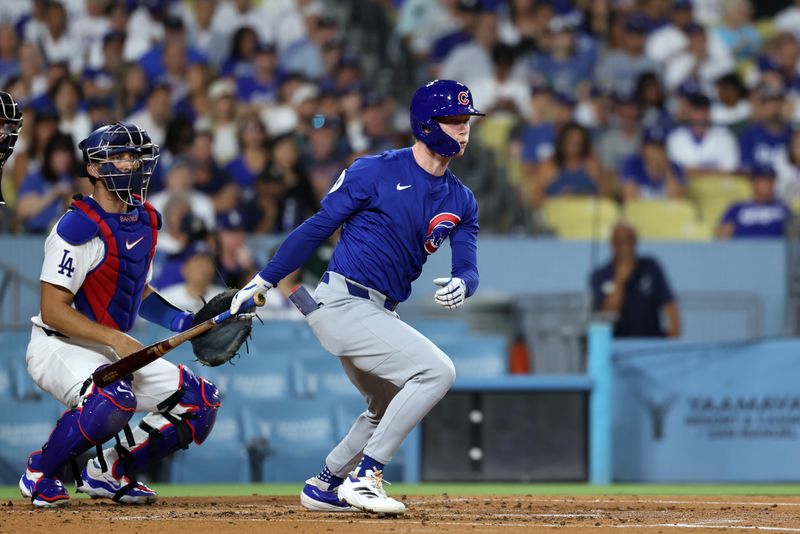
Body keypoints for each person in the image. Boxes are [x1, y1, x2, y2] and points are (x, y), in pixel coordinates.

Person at [229, 80, 482, 514]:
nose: (463, 130)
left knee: (385, 405)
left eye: (466, 122)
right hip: (341, 302)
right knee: (437, 372)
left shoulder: (462, 198)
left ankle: (325, 483)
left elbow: (467, 263)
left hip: (380, 312)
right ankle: (367, 476)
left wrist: (464, 283)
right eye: (454, 120)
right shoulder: (376, 170)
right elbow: (316, 227)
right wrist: (264, 280)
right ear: (425, 124)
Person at [18, 121, 221, 508]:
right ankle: (41, 470)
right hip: (58, 345)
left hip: (111, 348)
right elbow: (53, 309)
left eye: (135, 156)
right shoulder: (76, 227)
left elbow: (136, 290)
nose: (132, 164)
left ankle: (107, 471)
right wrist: (115, 338)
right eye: (120, 156)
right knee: (113, 398)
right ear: (94, 168)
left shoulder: (145, 218)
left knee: (202, 401)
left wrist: (183, 322)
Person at [590, 222, 681, 338]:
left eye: (629, 240)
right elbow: (606, 315)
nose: (625, 247)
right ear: (612, 244)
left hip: (652, 342)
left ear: (635, 242)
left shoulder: (650, 267)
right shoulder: (600, 275)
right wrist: (619, 280)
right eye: (620, 241)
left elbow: (669, 305)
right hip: (619, 344)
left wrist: (672, 338)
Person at [717, 164, 791, 238]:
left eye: (769, 179)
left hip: (775, 248)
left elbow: (794, 235)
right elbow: (722, 236)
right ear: (752, 182)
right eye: (761, 180)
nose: (766, 184)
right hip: (744, 248)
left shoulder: (783, 208)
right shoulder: (737, 208)